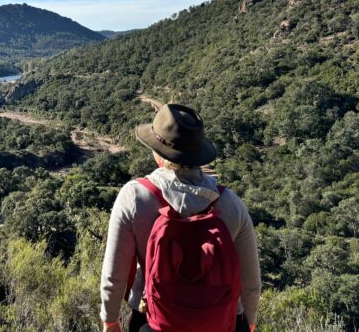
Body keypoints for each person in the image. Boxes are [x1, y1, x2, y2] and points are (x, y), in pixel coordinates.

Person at [100, 103, 262, 332]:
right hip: (223, 322)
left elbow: (113, 275)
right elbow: (251, 283)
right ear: (198, 154)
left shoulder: (135, 197)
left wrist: (110, 320)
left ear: (157, 152)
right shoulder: (230, 203)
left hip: (152, 320)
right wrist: (250, 321)